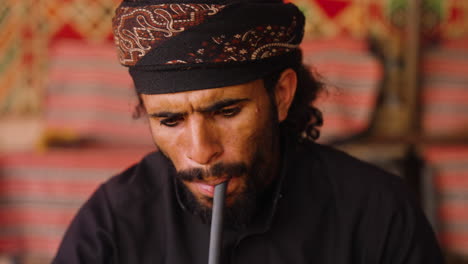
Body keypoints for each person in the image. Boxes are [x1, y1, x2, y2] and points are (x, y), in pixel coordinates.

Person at [52, 0, 444, 263]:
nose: (201, 151)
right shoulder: (113, 220)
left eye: (227, 111)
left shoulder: (376, 211)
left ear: (282, 95)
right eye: (170, 120)